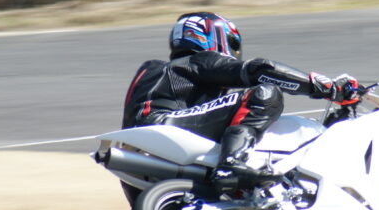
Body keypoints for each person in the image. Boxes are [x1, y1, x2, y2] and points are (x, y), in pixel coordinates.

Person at [122, 11, 360, 192]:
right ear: (213, 37)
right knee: (265, 93)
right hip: (163, 128)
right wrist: (325, 88)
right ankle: (231, 164)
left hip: (141, 163)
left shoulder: (163, 73)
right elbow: (260, 70)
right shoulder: (196, 61)